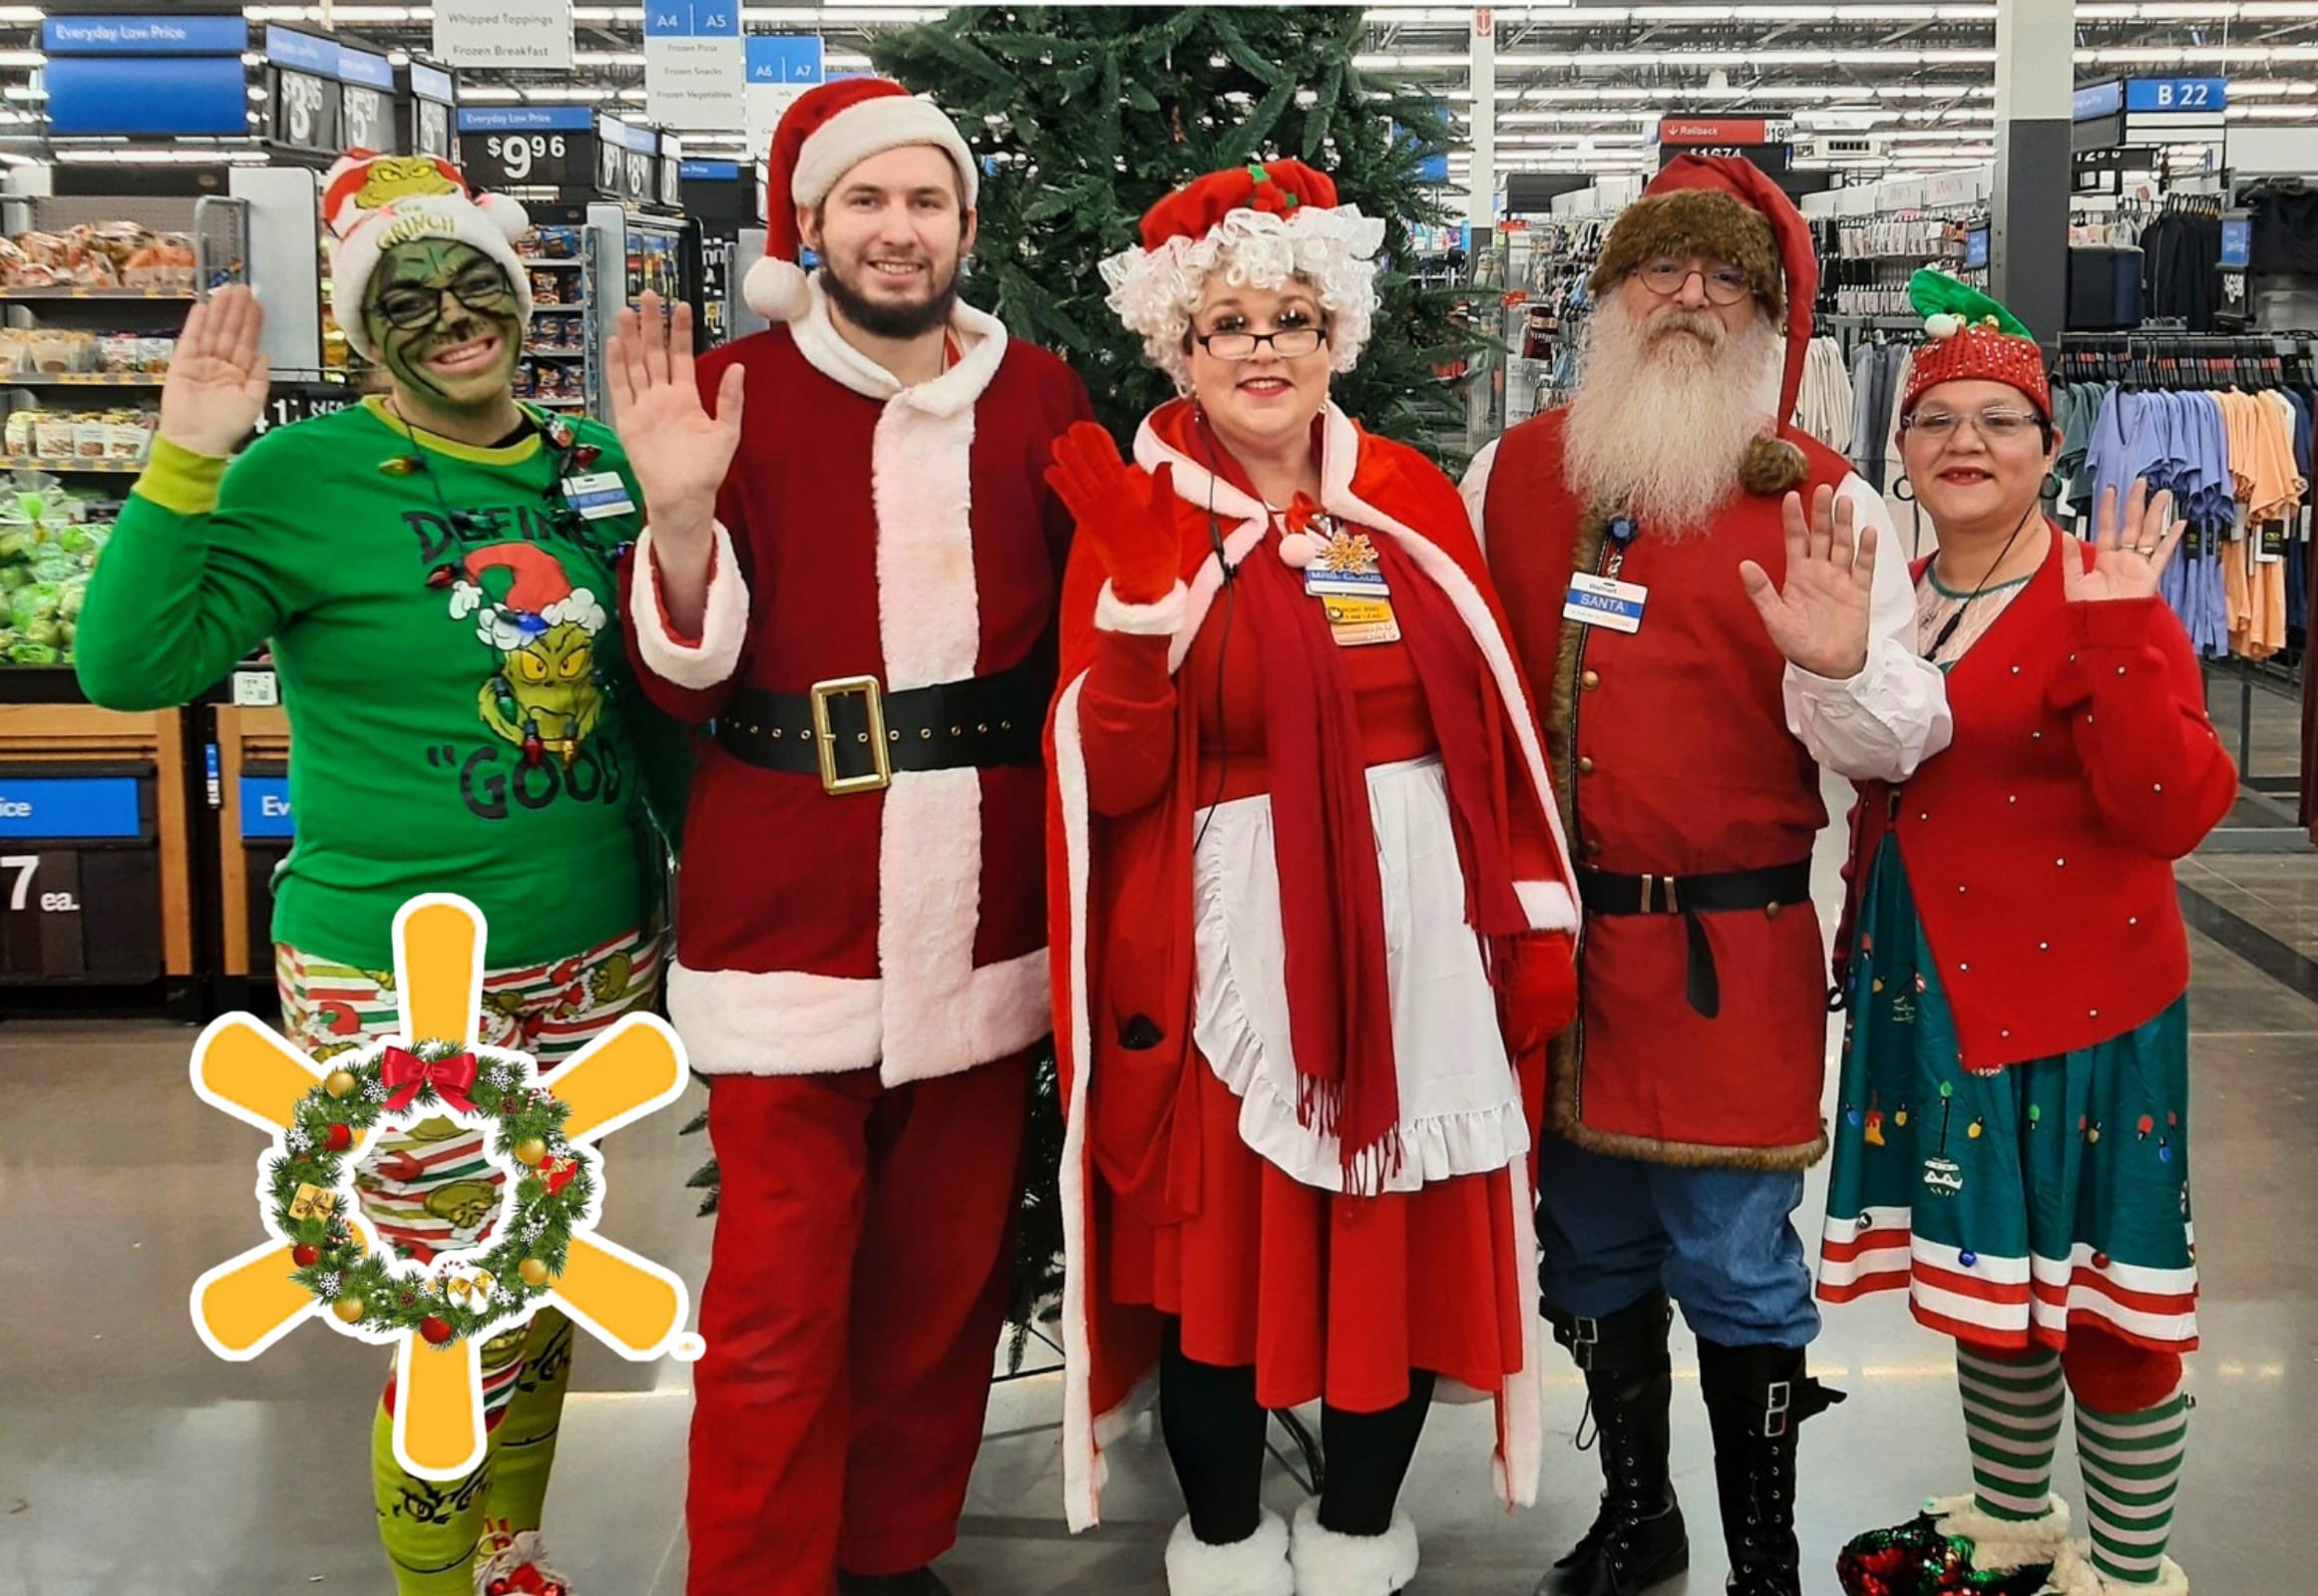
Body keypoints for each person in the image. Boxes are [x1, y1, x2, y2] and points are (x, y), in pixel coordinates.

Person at [76, 151, 686, 1596]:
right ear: (360, 330)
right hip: (394, 973)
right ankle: (433, 1582)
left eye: (477, 284)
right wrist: (185, 457)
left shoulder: (593, 467)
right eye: (405, 299)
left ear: (520, 293)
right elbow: (128, 666)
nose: (452, 319)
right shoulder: (298, 476)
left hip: (596, 946)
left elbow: (651, 701)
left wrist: (703, 886)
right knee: (440, 1299)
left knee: (537, 1265)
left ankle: (510, 1552)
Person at [1046, 159, 1582, 1596]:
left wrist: (1526, 919)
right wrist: (1141, 623)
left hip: (1419, 938)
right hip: (1226, 945)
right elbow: (1110, 780)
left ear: (1335, 334)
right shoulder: (1144, 509)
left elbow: (1490, 728)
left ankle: (1357, 1534)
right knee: (1221, 1268)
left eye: (1291, 318)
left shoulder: (1408, 496)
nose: (1263, 348)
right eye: (1227, 324)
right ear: (1180, 348)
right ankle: (1224, 1541)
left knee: (1386, 1254)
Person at [607, 78, 1091, 1596]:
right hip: (790, 908)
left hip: (986, 908)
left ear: (965, 224)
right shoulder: (731, 391)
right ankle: (758, 1575)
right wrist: (679, 520)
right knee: (775, 1302)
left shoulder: (1041, 394)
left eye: (925, 201)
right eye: (865, 201)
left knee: (941, 1289)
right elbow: (680, 679)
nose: (898, 230)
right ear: (808, 226)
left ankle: (889, 1557)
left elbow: (1096, 628)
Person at [1465, 154, 1955, 1596]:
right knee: (1587, 1251)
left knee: (1739, 1262)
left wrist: (1842, 664)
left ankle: (1762, 1559)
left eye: (1724, 278)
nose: (1690, 297)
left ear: (1765, 315)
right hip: (1557, 958)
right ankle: (1640, 1518)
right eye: (1661, 270)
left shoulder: (1827, 501)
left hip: (1727, 960)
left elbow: (1902, 740)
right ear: (1609, 297)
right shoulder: (1511, 476)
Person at [1819, 273, 2236, 1596]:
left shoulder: (2101, 589)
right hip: (1937, 996)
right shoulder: (1899, 594)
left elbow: (2174, 811)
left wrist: (2118, 640)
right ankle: (2013, 1527)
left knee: (2110, 1312)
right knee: (1988, 1287)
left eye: (2001, 420)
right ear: (1902, 444)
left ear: (2051, 448)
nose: (1967, 442)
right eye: (1938, 418)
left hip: (2084, 1011)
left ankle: (2129, 1574)